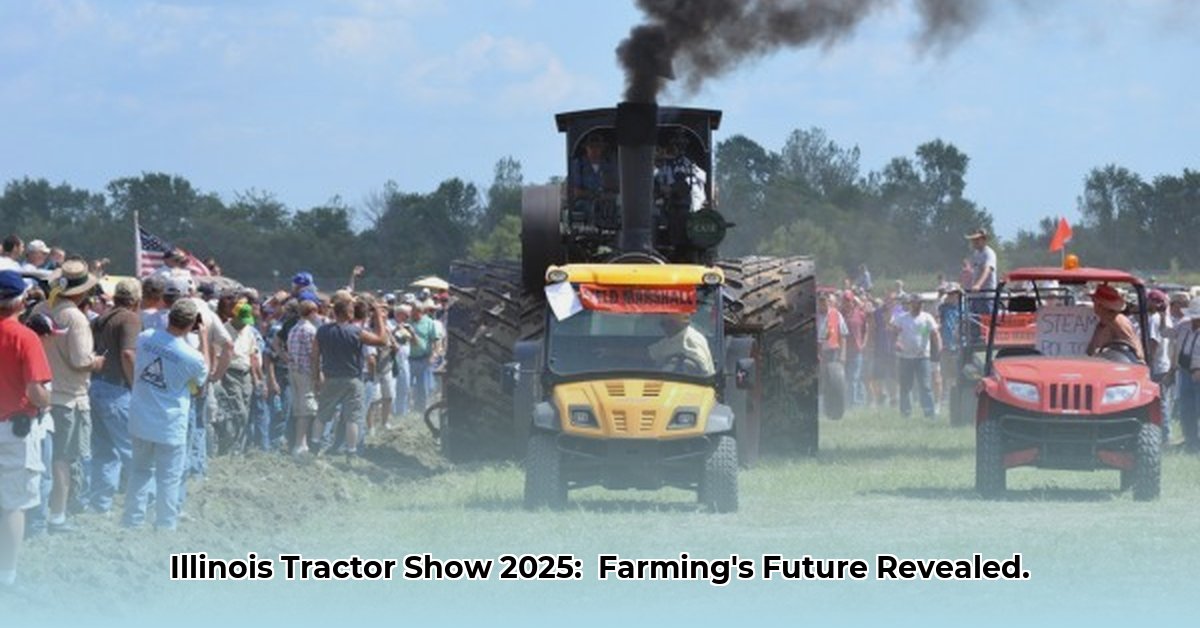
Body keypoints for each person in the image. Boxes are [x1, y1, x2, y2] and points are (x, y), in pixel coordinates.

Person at [30, 259, 104, 533]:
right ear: (81, 292)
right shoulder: (76, 318)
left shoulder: (39, 309)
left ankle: (35, 512)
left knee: (40, 459)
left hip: (40, 394)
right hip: (68, 398)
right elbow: (81, 360)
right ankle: (57, 515)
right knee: (63, 459)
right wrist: (97, 361)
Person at [123, 298, 209, 530]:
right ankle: (165, 524)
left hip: (141, 416)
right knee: (169, 477)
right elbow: (202, 383)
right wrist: (204, 340)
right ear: (191, 324)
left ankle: (132, 520)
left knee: (139, 471)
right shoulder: (193, 357)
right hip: (170, 423)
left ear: (169, 317)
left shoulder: (145, 337)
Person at [0, 270, 52, 590]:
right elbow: (35, 391)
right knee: (12, 504)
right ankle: (6, 574)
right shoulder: (25, 337)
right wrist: (48, 401)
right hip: (14, 429)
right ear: (21, 301)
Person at [87, 278, 142, 513]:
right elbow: (128, 354)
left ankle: (100, 504)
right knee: (133, 450)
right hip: (117, 390)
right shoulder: (129, 318)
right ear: (135, 300)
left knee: (103, 451)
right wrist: (136, 386)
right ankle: (144, 502)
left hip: (96, 386)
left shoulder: (100, 319)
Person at [312, 292, 390, 458]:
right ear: (348, 313)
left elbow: (315, 356)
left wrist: (316, 377)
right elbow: (382, 340)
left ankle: (314, 446)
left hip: (330, 378)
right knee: (353, 417)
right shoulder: (356, 332)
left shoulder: (322, 331)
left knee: (322, 414)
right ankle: (351, 452)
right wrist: (378, 315)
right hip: (352, 380)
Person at [214, 302, 260, 455]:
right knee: (239, 411)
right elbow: (217, 355)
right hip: (230, 372)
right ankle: (226, 445)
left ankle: (237, 448)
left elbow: (252, 354)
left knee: (245, 410)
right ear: (234, 316)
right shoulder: (223, 331)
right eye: (242, 320)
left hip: (246, 373)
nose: (244, 324)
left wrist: (256, 377)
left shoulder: (248, 331)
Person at [890, 294, 941, 419]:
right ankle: (906, 413)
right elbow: (894, 332)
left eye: (921, 303)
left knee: (925, 385)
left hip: (923, 357)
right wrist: (896, 342)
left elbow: (935, 333)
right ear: (911, 304)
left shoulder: (927, 318)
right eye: (916, 303)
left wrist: (939, 348)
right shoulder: (902, 318)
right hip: (905, 357)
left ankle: (929, 412)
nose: (919, 305)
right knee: (905, 386)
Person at [287, 298, 321, 455]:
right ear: (312, 312)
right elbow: (313, 355)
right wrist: (317, 375)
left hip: (294, 371)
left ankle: (299, 442)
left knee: (299, 407)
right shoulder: (310, 330)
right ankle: (301, 444)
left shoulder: (294, 329)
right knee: (306, 409)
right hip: (306, 372)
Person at [1171, 300, 1200, 454]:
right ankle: (1191, 443)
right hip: (1185, 371)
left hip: (1197, 372)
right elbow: (1167, 334)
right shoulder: (1184, 326)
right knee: (1186, 410)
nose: (1195, 320)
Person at [1086, 284, 1143, 362]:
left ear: (1100, 305)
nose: (1093, 305)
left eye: (1094, 302)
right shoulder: (1104, 321)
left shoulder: (1116, 321)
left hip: (1121, 363)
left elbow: (1136, 351)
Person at [654, 129, 707, 212]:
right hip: (668, 209)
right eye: (676, 144)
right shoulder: (663, 168)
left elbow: (703, 183)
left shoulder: (692, 167)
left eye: (682, 144)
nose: (679, 147)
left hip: (692, 211)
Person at [647, 312, 715, 376]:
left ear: (684, 320)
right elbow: (650, 354)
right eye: (663, 323)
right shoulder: (670, 339)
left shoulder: (693, 340)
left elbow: (701, 369)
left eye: (671, 322)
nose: (666, 327)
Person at [407, 300, 442, 414]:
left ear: (420, 311)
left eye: (414, 311)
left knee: (423, 386)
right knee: (408, 384)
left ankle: (422, 408)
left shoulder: (429, 323)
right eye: (411, 311)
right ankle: (409, 408)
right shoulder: (408, 322)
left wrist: (434, 355)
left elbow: (436, 340)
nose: (412, 313)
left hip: (424, 359)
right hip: (409, 358)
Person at [570, 132, 618, 199]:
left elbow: (617, 187)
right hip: (585, 203)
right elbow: (576, 192)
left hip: (608, 202)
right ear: (586, 148)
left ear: (602, 148)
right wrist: (595, 194)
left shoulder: (609, 165)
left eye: (598, 146)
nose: (594, 150)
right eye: (591, 146)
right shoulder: (578, 164)